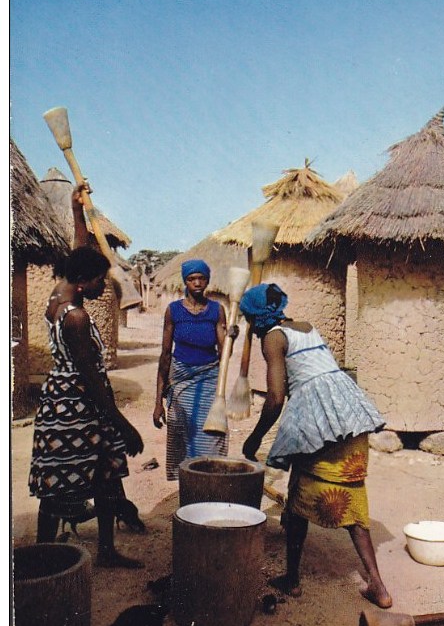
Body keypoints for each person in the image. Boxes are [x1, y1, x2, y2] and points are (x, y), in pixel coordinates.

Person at [239, 283, 392, 608]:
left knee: (298, 502)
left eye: (248, 321)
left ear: (255, 318)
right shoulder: (305, 326)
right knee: (352, 501)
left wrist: (253, 439)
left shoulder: (273, 338)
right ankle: (377, 585)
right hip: (351, 418)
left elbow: (276, 398)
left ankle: (292, 580)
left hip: (321, 422)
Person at [29, 183, 145, 568]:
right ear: (82, 282)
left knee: (98, 477)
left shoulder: (57, 298)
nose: (101, 288)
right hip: (79, 405)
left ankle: (101, 552)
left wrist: (76, 210)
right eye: (98, 282)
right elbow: (92, 382)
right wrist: (124, 425)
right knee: (73, 479)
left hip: (62, 401)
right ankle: (46, 560)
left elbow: (77, 253)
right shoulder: (76, 318)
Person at [153, 259, 236, 480]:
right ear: (185, 281)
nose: (197, 283)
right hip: (181, 381)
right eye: (192, 279)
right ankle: (189, 485)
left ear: (207, 281)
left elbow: (224, 353)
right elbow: (165, 355)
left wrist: (231, 339)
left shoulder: (217, 311)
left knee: (211, 435)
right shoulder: (174, 311)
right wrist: (158, 402)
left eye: (201, 278)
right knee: (182, 436)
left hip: (210, 381)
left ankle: (209, 481)